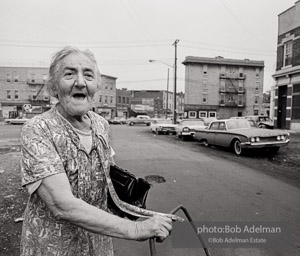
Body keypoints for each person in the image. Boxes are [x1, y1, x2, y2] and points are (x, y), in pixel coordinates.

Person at [20, 46, 172, 256]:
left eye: (88, 75)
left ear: (96, 87)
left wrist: (126, 195)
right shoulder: (38, 129)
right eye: (69, 74)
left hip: (98, 247)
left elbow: (105, 179)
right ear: (54, 87)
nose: (80, 82)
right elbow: (60, 204)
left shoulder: (101, 125)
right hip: (53, 248)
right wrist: (137, 229)